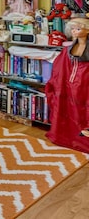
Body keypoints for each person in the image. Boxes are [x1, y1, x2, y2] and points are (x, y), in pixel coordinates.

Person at [45, 18, 89, 153]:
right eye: (73, 29)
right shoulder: (68, 48)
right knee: (67, 108)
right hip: (69, 83)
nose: (74, 31)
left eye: (78, 28)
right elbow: (60, 66)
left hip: (85, 84)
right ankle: (65, 137)